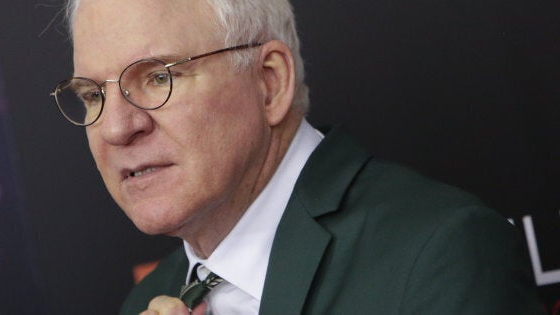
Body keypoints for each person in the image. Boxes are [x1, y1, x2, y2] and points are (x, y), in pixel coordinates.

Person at [51, 0, 543, 314]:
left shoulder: (439, 254)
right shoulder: (147, 301)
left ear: (270, 82)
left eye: (159, 77)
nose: (116, 127)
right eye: (92, 95)